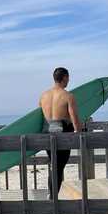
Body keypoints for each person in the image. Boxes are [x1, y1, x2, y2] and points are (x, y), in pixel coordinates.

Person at [39, 67, 82, 199]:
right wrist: (78, 133)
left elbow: (39, 116)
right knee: (58, 167)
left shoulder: (43, 95)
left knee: (54, 165)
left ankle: (51, 195)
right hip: (62, 133)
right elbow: (74, 118)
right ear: (64, 77)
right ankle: (53, 198)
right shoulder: (68, 96)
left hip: (47, 133)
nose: (69, 80)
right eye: (68, 77)